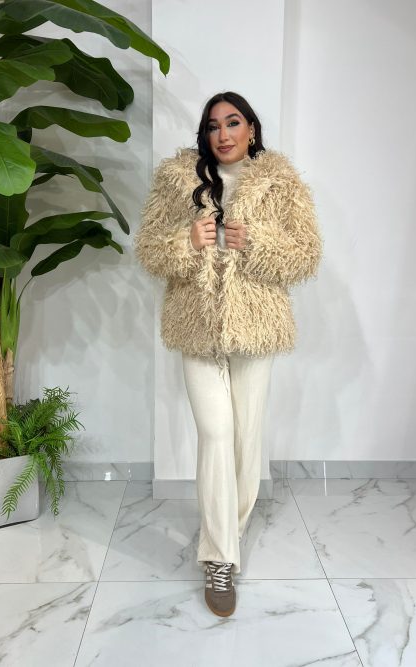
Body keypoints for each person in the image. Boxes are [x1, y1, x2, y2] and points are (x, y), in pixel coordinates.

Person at [135, 91, 323, 617]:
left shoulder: (280, 182)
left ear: (251, 130)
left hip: (255, 326)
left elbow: (306, 256)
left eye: (233, 122)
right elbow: (148, 251)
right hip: (195, 324)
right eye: (213, 125)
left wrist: (256, 240)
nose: (223, 134)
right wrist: (186, 241)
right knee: (216, 433)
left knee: (245, 440)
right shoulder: (177, 180)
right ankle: (219, 559)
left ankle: (226, 534)